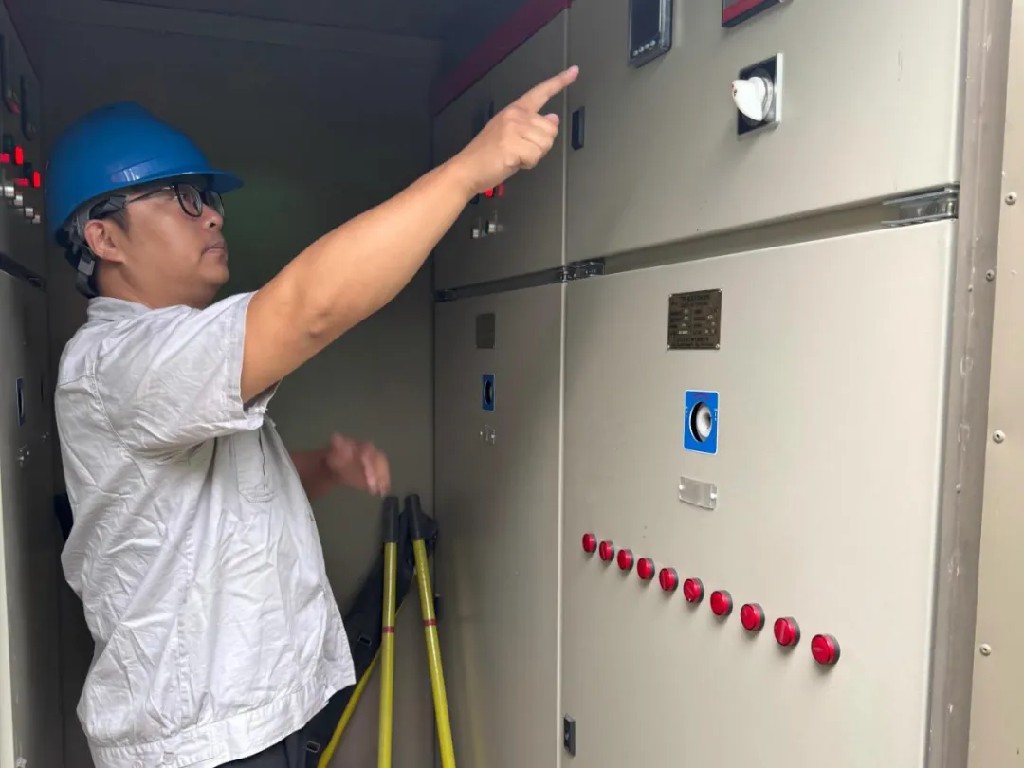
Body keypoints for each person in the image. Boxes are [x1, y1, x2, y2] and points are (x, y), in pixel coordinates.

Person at [45, 64, 579, 768]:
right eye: (182, 199)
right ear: (104, 238)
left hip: (250, 727)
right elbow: (308, 309)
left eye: (209, 198)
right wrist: (466, 172)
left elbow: (201, 499)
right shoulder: (124, 360)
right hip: (206, 748)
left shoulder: (164, 356)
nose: (213, 215)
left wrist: (321, 468)